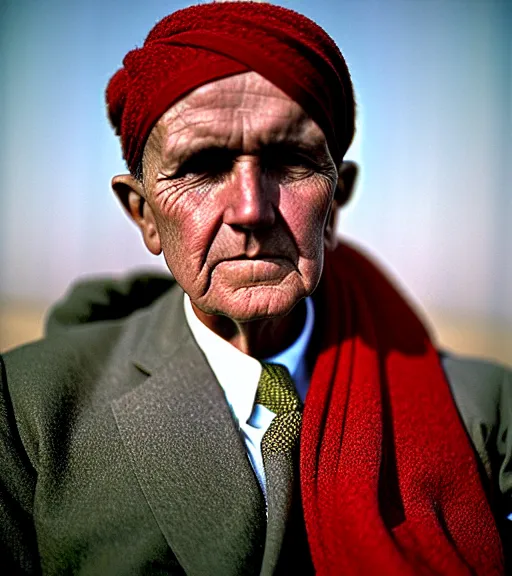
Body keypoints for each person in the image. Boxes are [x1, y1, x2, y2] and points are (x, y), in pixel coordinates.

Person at [0, 2, 510, 575]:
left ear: (335, 202)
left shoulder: (482, 414)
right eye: (203, 166)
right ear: (143, 214)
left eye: (290, 161)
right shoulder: (27, 411)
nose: (250, 210)